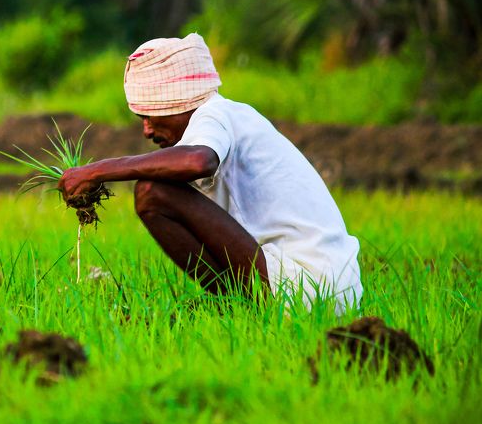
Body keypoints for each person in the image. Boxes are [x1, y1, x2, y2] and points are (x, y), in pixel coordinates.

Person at [58, 33, 362, 313]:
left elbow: (199, 161)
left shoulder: (213, 115)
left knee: (153, 193)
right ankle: (233, 306)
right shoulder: (230, 115)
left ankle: (235, 306)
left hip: (310, 287)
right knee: (160, 186)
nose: (147, 130)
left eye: (149, 116)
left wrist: (98, 171)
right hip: (327, 290)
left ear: (175, 103)